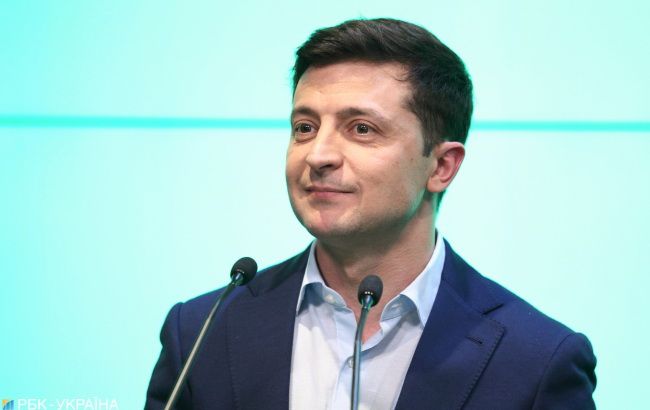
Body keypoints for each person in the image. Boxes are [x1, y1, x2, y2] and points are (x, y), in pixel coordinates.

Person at [145, 18, 597, 409]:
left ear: (441, 166)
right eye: (304, 127)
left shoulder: (536, 361)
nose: (318, 155)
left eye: (361, 129)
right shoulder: (201, 331)